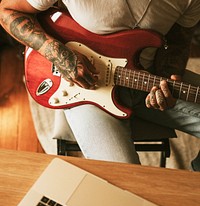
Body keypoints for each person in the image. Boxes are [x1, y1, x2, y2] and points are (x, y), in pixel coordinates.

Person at [0, 0, 200, 168]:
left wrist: (167, 77)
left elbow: (177, 43)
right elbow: (6, 10)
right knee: (127, 184)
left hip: (147, 80)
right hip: (86, 91)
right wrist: (59, 54)